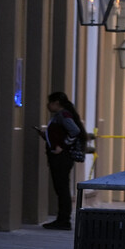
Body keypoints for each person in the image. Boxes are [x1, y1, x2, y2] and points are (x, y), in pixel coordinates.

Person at [37, 91, 83, 230]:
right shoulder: (60, 115)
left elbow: (75, 131)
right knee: (61, 188)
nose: (48, 106)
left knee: (62, 188)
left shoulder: (63, 115)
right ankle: (62, 219)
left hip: (61, 158)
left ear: (56, 103)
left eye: (50, 103)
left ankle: (64, 220)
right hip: (60, 156)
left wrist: (63, 145)